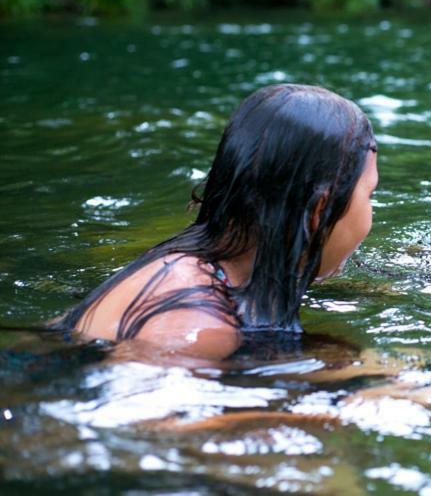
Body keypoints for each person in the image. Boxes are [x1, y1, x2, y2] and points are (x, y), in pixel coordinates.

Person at [51, 84, 378, 361]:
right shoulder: (199, 321)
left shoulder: (200, 269)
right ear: (320, 208)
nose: (371, 212)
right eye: (370, 195)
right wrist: (342, 400)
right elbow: (151, 426)